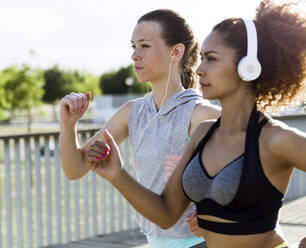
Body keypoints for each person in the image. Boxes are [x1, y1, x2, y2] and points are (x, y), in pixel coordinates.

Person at [88, 1, 306, 248]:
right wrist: (117, 175)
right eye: (200, 59)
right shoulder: (203, 133)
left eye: (211, 59)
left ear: (248, 66)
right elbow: (165, 214)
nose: (199, 69)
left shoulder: (275, 139)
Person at [59, 9, 220, 248]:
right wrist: (68, 124)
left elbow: (255, 165)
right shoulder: (131, 112)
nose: (135, 55)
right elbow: (76, 169)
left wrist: (220, 211)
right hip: (154, 242)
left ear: (175, 51)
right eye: (133, 46)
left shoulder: (199, 114)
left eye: (144, 46)